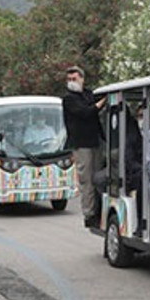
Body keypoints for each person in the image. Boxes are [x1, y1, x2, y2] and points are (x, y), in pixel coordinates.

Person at [62, 65, 105, 227]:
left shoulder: (88, 94)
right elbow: (85, 113)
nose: (71, 82)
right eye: (69, 79)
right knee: (86, 180)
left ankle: (99, 209)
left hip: (95, 142)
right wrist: (100, 104)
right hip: (81, 145)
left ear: (82, 78)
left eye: (74, 78)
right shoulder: (69, 99)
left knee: (98, 177)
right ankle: (89, 214)